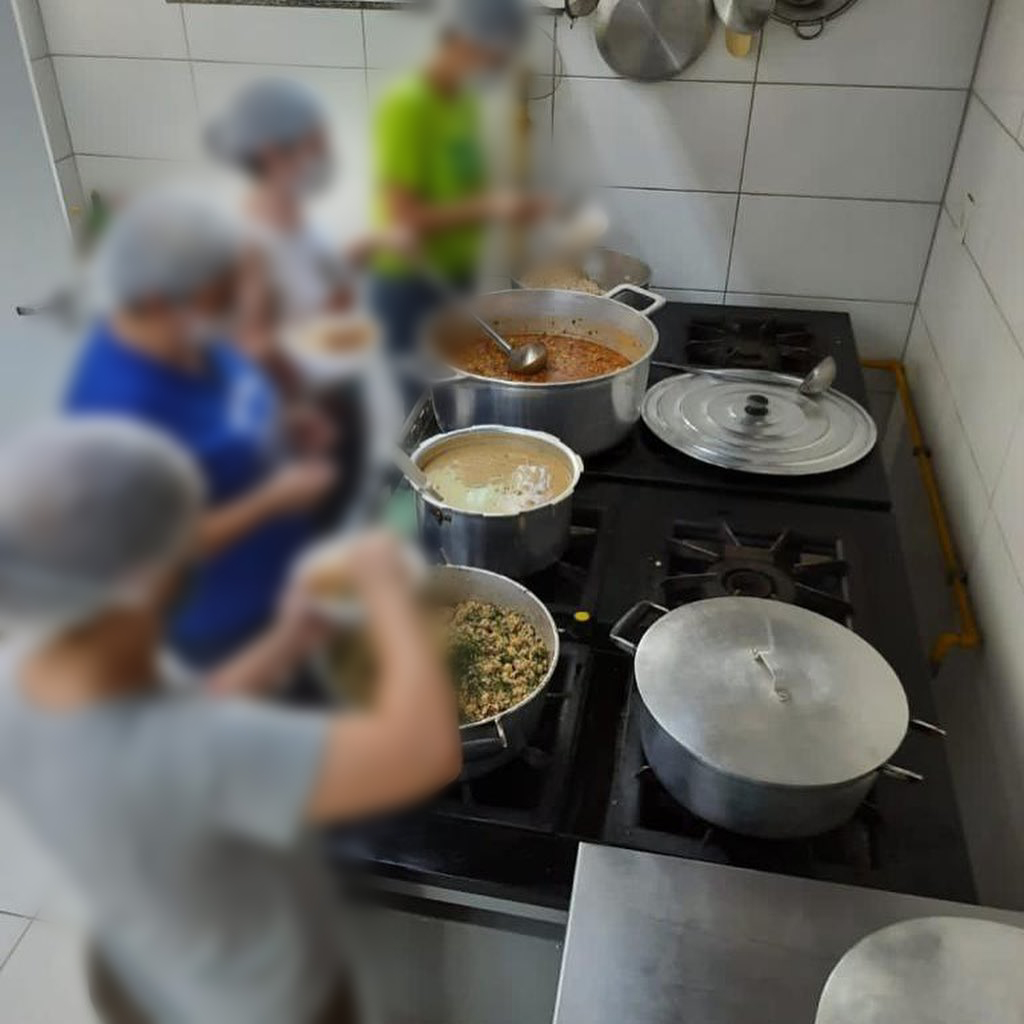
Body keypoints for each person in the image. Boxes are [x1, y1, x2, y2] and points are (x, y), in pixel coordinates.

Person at [0, 417, 461, 1024]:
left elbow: (191, 709)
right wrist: (391, 593)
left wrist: (286, 642)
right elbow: (428, 752)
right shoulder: (188, 748)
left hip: (139, 963)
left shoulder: (29, 669)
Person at [65, 187, 336, 666]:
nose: (227, 308)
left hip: (292, 577)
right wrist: (272, 501)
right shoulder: (112, 404)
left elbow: (237, 398)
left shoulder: (190, 332)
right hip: (227, 625)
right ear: (155, 299)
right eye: (216, 297)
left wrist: (284, 423)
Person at [206, 76, 406, 523]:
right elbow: (249, 351)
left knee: (358, 515)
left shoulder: (293, 214)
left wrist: (369, 248)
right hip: (303, 428)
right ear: (271, 152)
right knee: (325, 540)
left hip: (338, 403)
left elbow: (318, 285)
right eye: (314, 144)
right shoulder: (248, 241)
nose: (323, 155)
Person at [370, 0, 548, 368]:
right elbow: (404, 217)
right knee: (414, 391)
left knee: (458, 376)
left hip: (455, 275)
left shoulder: (461, 101)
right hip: (411, 281)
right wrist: (493, 207)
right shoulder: (407, 107)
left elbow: (462, 188)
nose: (494, 70)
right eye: (493, 58)